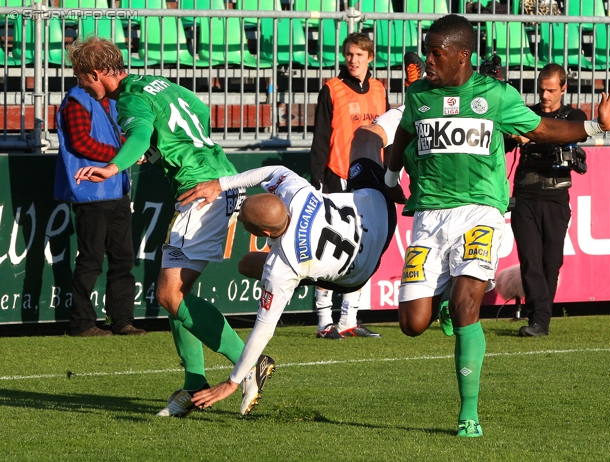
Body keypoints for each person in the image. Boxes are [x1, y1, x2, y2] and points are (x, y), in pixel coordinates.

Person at [383, 14, 610, 437]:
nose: (427, 61)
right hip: (428, 217)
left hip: (481, 212)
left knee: (466, 308)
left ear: (462, 56)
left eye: (436, 53)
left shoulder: (495, 96)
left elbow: (544, 128)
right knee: (412, 323)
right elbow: (405, 136)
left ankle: (468, 414)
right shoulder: (420, 93)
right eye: (426, 52)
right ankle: (440, 300)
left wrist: (594, 126)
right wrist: (390, 177)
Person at [67, 36, 274, 417]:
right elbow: (196, 110)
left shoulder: (128, 99)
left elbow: (141, 134)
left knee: (168, 295)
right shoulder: (158, 83)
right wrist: (163, 151)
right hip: (220, 179)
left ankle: (249, 365)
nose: (83, 87)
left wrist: (114, 167)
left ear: (96, 73)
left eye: (83, 80)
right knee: (175, 294)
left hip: (201, 191)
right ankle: (193, 385)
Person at [181, 112, 400, 411]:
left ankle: (414, 106)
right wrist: (221, 184)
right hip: (378, 213)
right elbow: (270, 171)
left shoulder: (281, 267)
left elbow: (264, 329)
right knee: (365, 136)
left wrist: (232, 381)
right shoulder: (296, 191)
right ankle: (405, 112)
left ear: (267, 232)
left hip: (356, 272)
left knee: (272, 270)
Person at [309, 32, 389, 339]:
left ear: (370, 58)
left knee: (364, 246)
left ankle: (349, 320)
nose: (353, 60)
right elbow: (319, 138)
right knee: (331, 247)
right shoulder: (332, 89)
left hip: (371, 176)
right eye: (349, 55)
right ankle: (323, 321)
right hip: (337, 174)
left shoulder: (379, 89)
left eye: (359, 55)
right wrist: (317, 180)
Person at [54, 84, 146, 338]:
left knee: (123, 259)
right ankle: (82, 323)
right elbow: (81, 143)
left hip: (116, 189)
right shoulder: (77, 100)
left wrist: (133, 151)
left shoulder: (110, 100)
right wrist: (124, 155)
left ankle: (122, 320)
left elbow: (124, 135)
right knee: (91, 259)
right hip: (90, 193)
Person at [506, 64, 587, 337]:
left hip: (555, 196)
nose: (545, 95)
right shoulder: (526, 114)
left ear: (564, 88)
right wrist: (511, 134)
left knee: (551, 262)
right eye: (542, 89)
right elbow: (505, 143)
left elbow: (573, 136)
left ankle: (541, 317)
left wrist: (531, 138)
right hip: (525, 195)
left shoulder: (573, 116)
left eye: (551, 90)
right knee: (530, 259)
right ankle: (538, 320)